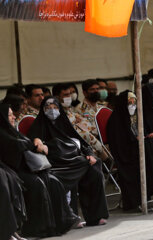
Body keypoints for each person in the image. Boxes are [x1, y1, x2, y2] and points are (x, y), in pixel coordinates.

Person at [0, 104, 79, 238]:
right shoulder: (2, 133)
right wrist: (35, 145)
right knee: (37, 184)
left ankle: (62, 222)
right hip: (13, 170)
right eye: (10, 114)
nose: (14, 117)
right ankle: (37, 228)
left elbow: (24, 141)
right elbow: (17, 145)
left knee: (53, 181)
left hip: (26, 168)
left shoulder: (12, 130)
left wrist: (36, 142)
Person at [27, 97, 109, 226]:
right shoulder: (39, 125)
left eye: (55, 108)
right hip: (55, 164)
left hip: (73, 161)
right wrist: (40, 144)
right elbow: (35, 143)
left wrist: (90, 154)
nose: (52, 111)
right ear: (43, 110)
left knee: (94, 166)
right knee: (75, 171)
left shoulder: (64, 123)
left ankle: (95, 216)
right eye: (48, 108)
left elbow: (82, 143)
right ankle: (71, 218)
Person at [52, 83, 108, 160]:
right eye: (65, 95)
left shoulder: (69, 110)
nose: (69, 97)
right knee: (86, 136)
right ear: (56, 97)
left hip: (85, 141)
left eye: (69, 94)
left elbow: (87, 125)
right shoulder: (54, 112)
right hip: (71, 142)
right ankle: (107, 159)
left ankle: (106, 160)